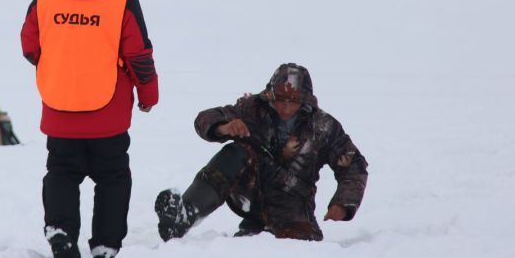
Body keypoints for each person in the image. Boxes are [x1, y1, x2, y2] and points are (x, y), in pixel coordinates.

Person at [21, 0, 159, 258]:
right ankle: (106, 246)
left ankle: (61, 230)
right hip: (108, 114)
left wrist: (58, 66)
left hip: (59, 109)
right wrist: (148, 95)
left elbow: (28, 46)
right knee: (112, 176)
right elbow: (139, 55)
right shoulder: (124, 0)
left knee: (61, 172)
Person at [155, 63, 367, 242]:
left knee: (296, 251)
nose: (284, 107)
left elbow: (354, 166)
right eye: (279, 99)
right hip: (250, 192)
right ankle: (183, 217)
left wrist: (342, 205)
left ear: (305, 100)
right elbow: (205, 118)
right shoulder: (252, 108)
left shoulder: (324, 126)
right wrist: (223, 127)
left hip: (291, 203)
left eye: (292, 101)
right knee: (236, 152)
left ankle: (256, 230)